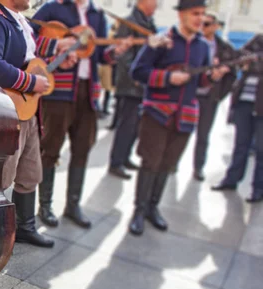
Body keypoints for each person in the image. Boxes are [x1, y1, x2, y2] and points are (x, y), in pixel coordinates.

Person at [128, 0, 229, 236]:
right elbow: (137, 71)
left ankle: (153, 208)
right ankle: (139, 211)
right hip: (157, 114)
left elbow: (200, 81)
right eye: (195, 14)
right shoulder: (162, 39)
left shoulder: (203, 47)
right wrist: (166, 78)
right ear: (182, 14)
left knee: (167, 164)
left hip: (185, 117)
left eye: (203, 15)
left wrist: (213, 76)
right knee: (150, 162)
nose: (200, 19)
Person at [0, 0, 77, 248]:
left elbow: (31, 61)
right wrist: (30, 83)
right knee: (1, 178)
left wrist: (55, 64)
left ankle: (25, 228)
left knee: (30, 172)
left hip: (29, 112)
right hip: (8, 111)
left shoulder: (21, 21)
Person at [32, 0, 131, 230]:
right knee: (50, 148)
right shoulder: (52, 8)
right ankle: (45, 205)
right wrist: (57, 43)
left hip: (88, 91)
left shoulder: (97, 14)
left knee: (83, 147)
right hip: (58, 91)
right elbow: (29, 37)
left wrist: (114, 52)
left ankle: (73, 205)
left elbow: (101, 55)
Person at [108, 0, 158, 180]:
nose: (157, 4)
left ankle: (125, 157)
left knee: (135, 126)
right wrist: (135, 77)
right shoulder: (129, 22)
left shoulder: (149, 24)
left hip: (142, 83)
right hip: (130, 84)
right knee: (126, 125)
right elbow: (123, 55)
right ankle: (116, 162)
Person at [212, 33, 263, 202]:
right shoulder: (258, 38)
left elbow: (249, 61)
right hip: (244, 102)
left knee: (261, 150)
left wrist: (252, 62)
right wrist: (249, 60)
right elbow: (239, 55)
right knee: (240, 145)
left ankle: (258, 189)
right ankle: (231, 180)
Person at [192, 13, 237, 182]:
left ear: (215, 26)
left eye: (207, 24)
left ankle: (198, 167)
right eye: (201, 23)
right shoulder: (193, 43)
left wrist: (219, 95)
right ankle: (172, 164)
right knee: (181, 131)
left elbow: (232, 75)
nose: (202, 27)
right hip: (190, 94)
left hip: (210, 97)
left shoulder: (226, 48)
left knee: (203, 135)